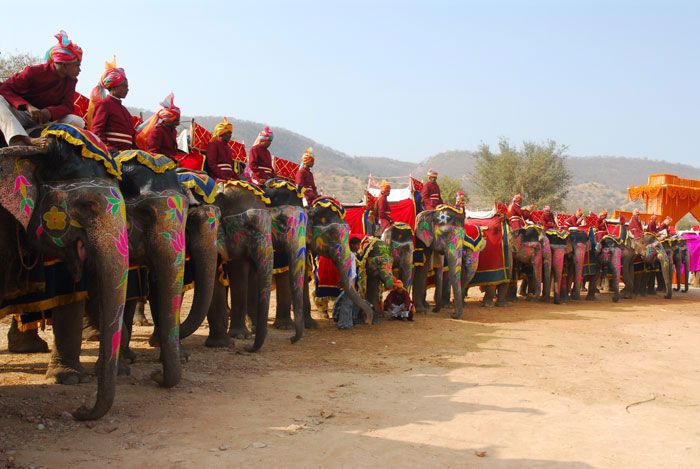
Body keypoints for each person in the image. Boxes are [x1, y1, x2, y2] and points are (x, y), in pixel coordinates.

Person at [0, 30, 84, 147]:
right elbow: (4, 88)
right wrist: (28, 107)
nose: (79, 70)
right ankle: (22, 138)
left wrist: (49, 112)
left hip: (43, 121)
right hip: (21, 114)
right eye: (77, 65)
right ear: (64, 64)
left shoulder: (71, 81)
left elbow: (68, 106)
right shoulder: (33, 72)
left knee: (78, 121)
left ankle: (32, 134)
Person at [89, 58, 135, 152]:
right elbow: (97, 131)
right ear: (114, 86)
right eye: (124, 86)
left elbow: (132, 135)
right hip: (111, 153)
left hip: (126, 153)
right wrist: (107, 148)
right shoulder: (104, 104)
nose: (127, 89)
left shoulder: (125, 111)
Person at [136, 93, 181, 157]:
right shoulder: (157, 131)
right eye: (176, 120)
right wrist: (168, 158)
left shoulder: (173, 131)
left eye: (178, 120)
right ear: (168, 119)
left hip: (171, 161)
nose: (178, 123)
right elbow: (152, 151)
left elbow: (171, 150)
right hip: (159, 163)